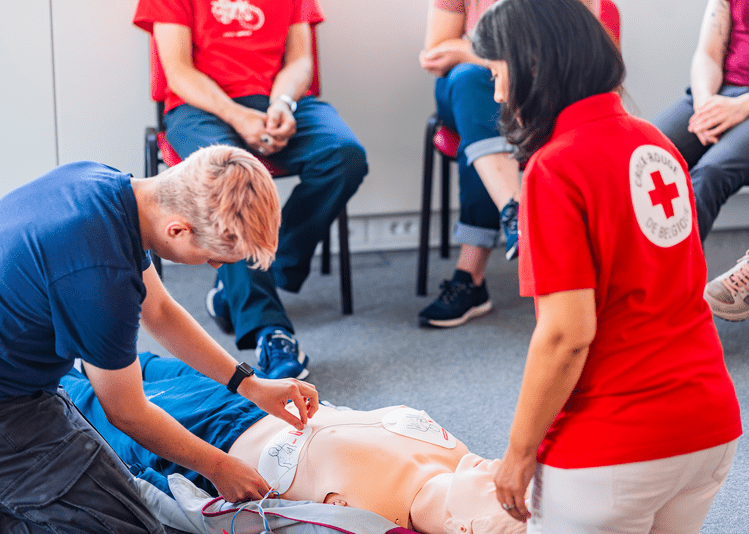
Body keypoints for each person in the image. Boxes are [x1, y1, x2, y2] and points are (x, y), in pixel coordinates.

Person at [471, 0, 742, 532]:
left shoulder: (555, 168)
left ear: (531, 65)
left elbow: (566, 336)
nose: (498, 93)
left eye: (497, 74)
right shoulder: (656, 142)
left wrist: (518, 453)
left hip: (615, 445)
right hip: (709, 426)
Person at [0, 145, 319, 533]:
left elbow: (161, 312)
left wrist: (250, 385)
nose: (216, 266)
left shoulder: (104, 184)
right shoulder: (102, 277)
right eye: (214, 257)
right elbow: (126, 412)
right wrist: (218, 466)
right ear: (178, 229)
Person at [133, 0, 368, 378]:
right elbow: (177, 72)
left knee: (344, 156)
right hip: (200, 110)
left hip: (281, 102)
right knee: (229, 179)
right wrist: (237, 116)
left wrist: (282, 104)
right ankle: (269, 330)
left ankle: (251, 274)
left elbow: (300, 61)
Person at [62, 352, 526, 534]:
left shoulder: (370, 520)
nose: (498, 473)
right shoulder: (461, 457)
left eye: (503, 501)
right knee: (141, 360)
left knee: (72, 390)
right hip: (257, 403)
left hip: (206, 440)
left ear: (467, 529)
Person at [416, 0, 599, 329]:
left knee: (480, 141)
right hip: (470, 89)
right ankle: (518, 214)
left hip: (543, 89)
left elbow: (581, 51)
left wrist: (479, 53)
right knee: (472, 84)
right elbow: (435, 52)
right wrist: (505, 61)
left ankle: (471, 275)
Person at [651, 0, 749, 242]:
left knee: (711, 172)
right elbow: (708, 53)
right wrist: (704, 105)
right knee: (642, 155)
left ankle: (673, 277)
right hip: (720, 95)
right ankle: (610, 271)